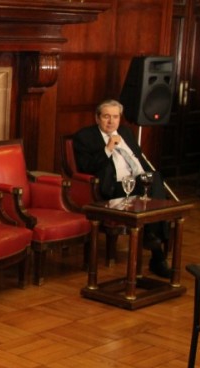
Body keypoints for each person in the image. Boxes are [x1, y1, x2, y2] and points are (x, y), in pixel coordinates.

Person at [73, 99, 172, 278]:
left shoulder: (126, 132)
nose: (111, 122)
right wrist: (108, 148)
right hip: (115, 186)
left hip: (138, 181)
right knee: (155, 200)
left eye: (115, 117)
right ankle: (157, 253)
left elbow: (138, 159)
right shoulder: (85, 136)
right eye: (106, 117)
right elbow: (85, 166)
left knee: (155, 178)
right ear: (97, 118)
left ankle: (152, 238)